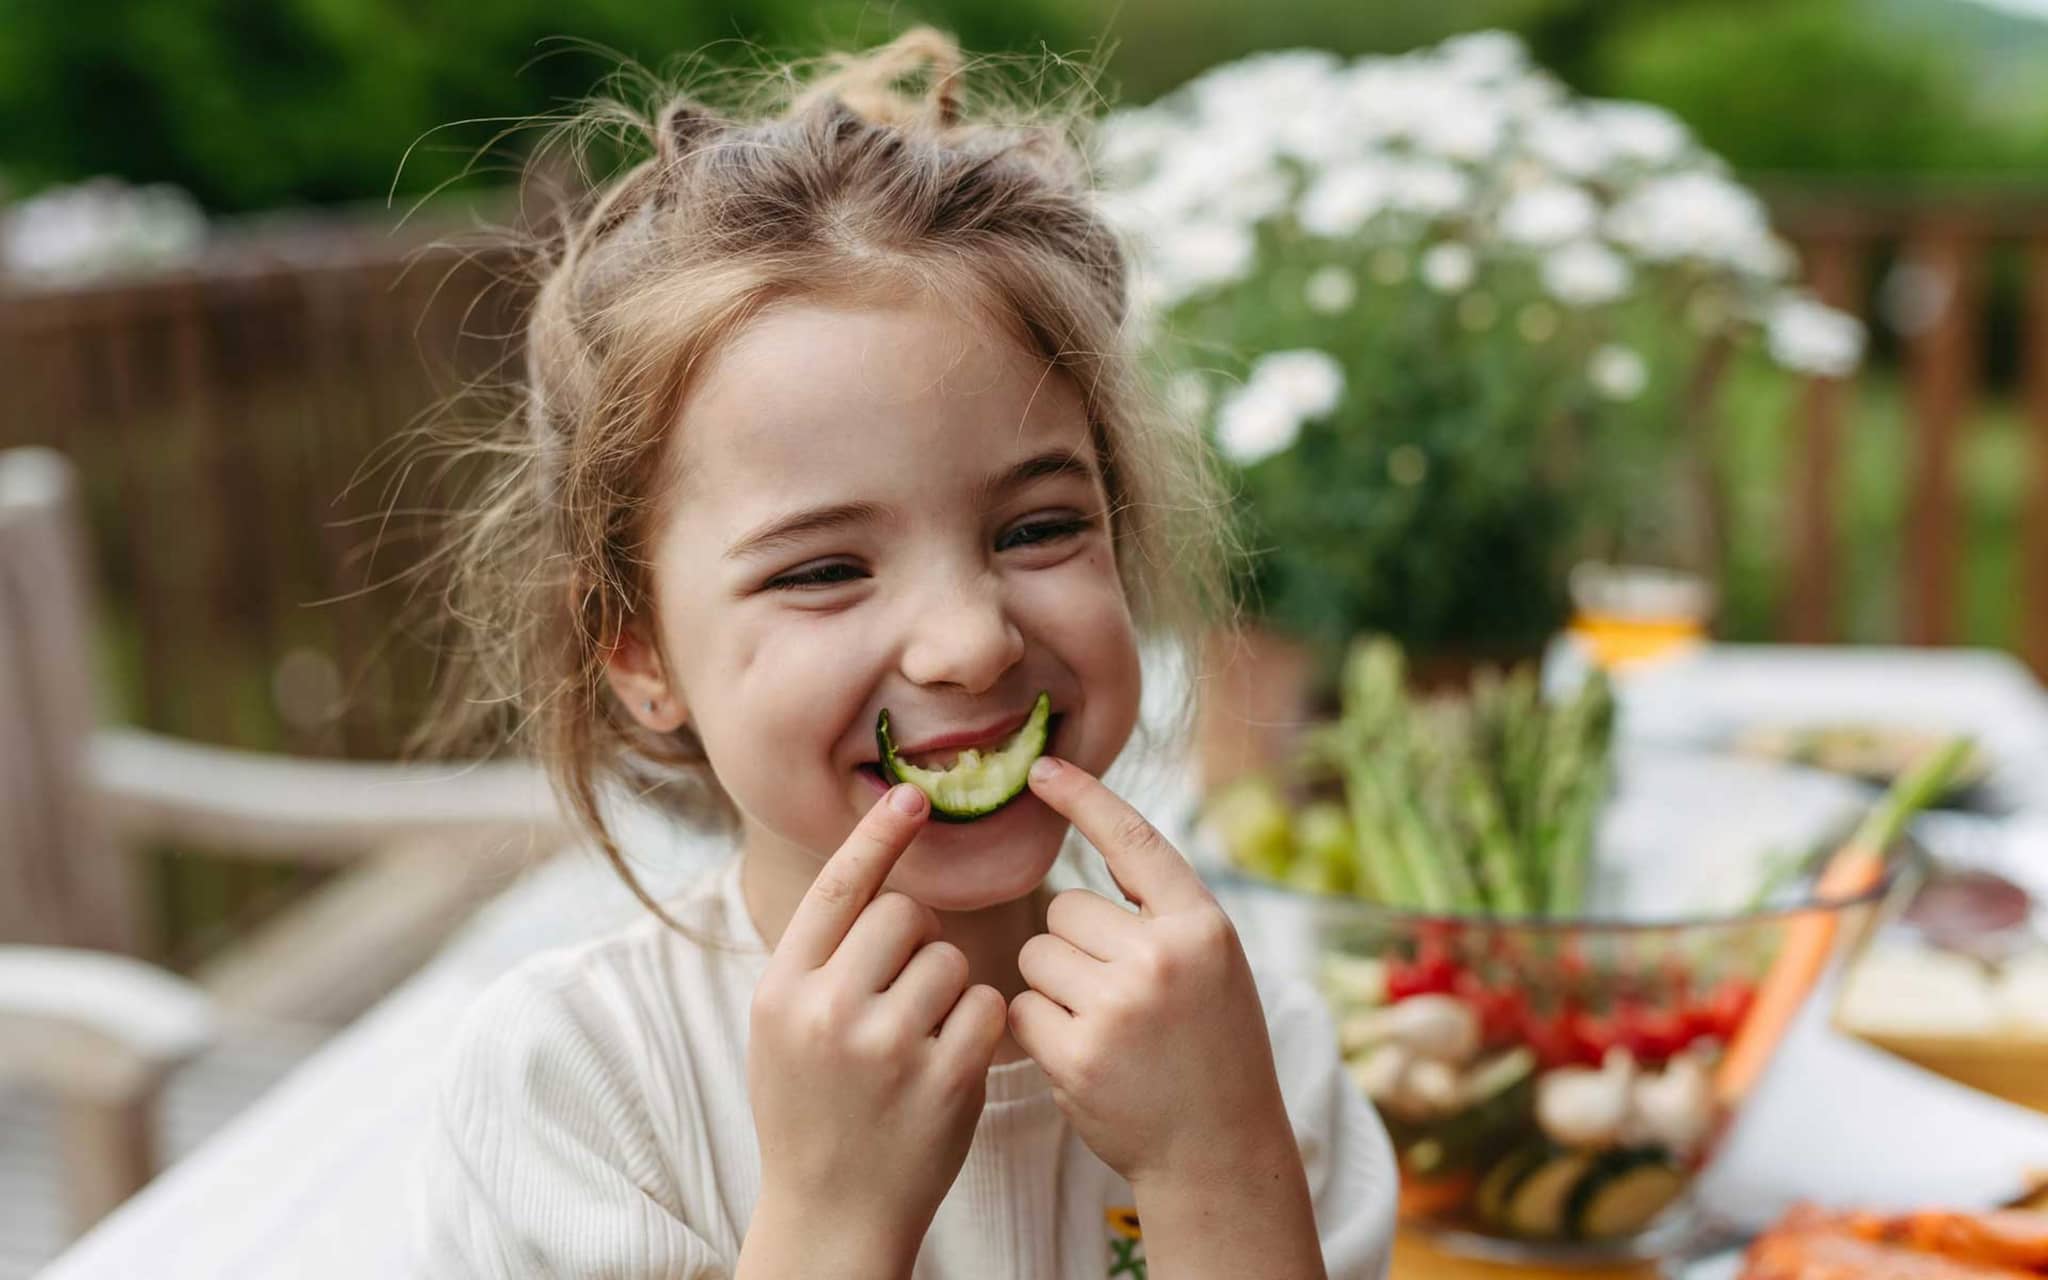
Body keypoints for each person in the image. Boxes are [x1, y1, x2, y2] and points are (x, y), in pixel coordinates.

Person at [407, 25, 1396, 1278]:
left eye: (1036, 528)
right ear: (641, 655)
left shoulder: (1252, 1050)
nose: (970, 642)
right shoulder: (580, 1086)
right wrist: (829, 1217)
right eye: (823, 568)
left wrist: (1211, 1167)